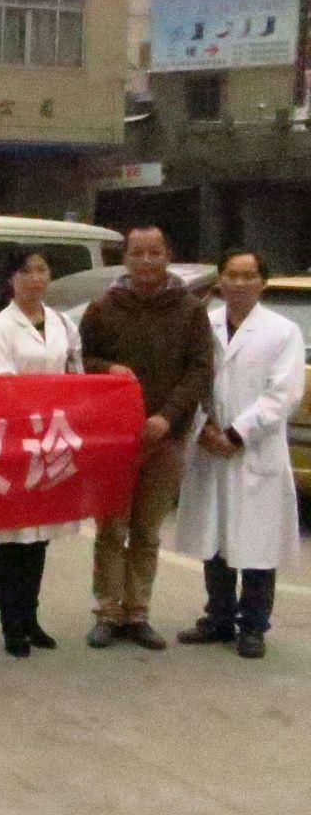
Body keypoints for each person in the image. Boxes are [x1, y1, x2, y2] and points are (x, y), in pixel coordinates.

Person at [80, 226, 213, 651]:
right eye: (137, 253)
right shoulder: (103, 308)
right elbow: (81, 360)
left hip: (165, 438)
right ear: (125, 258)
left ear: (168, 255)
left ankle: (138, 612)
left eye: (155, 252)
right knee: (110, 527)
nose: (146, 261)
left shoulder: (190, 310)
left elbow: (200, 370)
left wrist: (167, 417)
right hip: (114, 439)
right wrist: (106, 368)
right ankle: (107, 611)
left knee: (147, 530)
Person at [175, 249, 305, 659]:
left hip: (254, 450)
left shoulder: (283, 331)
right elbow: (191, 379)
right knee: (215, 537)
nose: (241, 283)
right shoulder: (205, 325)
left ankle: (253, 626)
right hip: (210, 444)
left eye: (250, 276)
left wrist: (236, 433)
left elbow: (284, 394)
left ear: (262, 281)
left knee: (257, 543)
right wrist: (204, 428)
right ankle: (218, 617)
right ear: (221, 280)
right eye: (233, 275)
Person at [0, 249, 84, 657]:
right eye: (26, 271)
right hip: (13, 439)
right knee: (11, 536)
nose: (35, 278)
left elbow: (74, 371)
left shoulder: (61, 322)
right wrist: (39, 404)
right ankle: (11, 622)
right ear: (12, 279)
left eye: (42, 270)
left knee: (39, 536)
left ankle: (30, 617)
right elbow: (2, 383)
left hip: (51, 439)